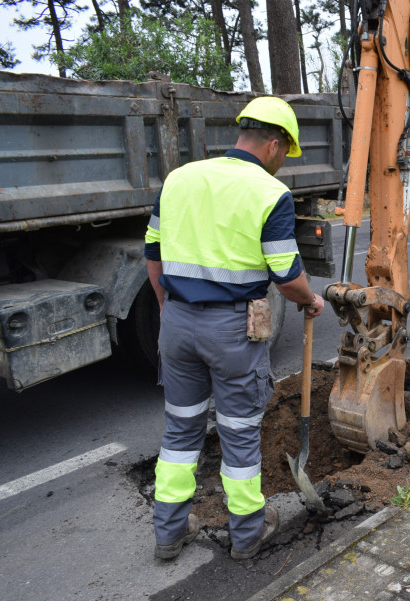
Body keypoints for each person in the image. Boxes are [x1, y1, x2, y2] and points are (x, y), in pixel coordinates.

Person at [144, 96, 325, 561]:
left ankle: (169, 532)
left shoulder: (179, 179)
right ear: (273, 143)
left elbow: (153, 253)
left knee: (180, 431)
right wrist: (311, 299)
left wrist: (169, 310)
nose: (283, 164)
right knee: (239, 431)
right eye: (286, 154)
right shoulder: (268, 194)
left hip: (177, 324)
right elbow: (287, 276)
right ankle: (246, 534)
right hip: (232, 332)